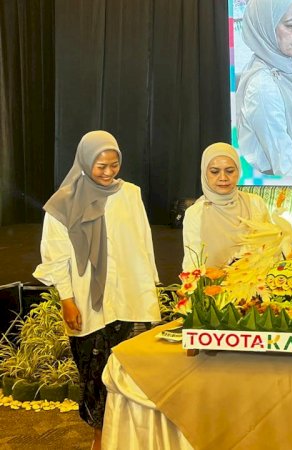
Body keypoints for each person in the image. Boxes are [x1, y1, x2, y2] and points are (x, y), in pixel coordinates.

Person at [33, 131, 161, 450]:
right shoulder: (63, 203)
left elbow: (143, 244)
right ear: (84, 160)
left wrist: (149, 291)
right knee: (95, 381)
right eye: (100, 166)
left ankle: (128, 441)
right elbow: (55, 256)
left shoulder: (130, 194)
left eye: (114, 165)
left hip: (130, 301)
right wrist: (67, 300)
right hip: (88, 306)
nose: (108, 172)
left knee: (130, 379)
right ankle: (100, 440)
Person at [236, 0, 292, 176]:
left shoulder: (290, 63)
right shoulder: (263, 87)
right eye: (290, 24)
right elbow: (287, 170)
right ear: (266, 28)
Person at [182, 142, 287, 270]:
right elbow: (191, 263)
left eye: (230, 171)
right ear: (205, 173)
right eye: (214, 172)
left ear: (239, 171)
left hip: (255, 281)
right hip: (212, 282)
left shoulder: (255, 203)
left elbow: (271, 248)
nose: (223, 177)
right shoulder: (196, 213)